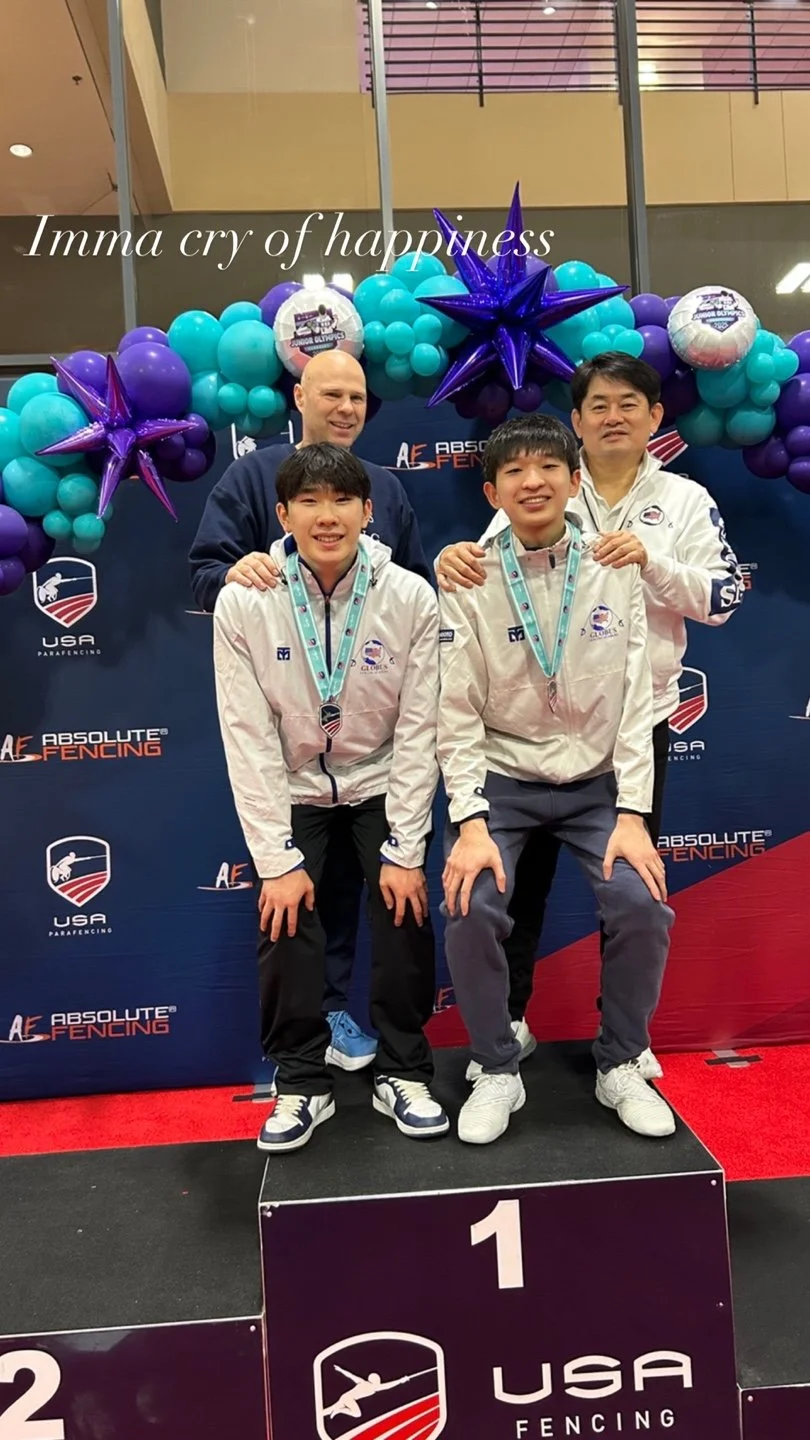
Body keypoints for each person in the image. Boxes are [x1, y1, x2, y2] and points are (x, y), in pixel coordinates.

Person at [437, 353, 743, 1072]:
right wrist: (453, 560)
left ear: (655, 417)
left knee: (628, 883)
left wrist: (650, 564)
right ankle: (507, 1024)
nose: (613, 416)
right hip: (525, 742)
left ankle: (623, 1043)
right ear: (576, 424)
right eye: (597, 405)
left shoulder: (685, 501)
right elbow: (488, 583)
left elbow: (725, 598)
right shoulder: (547, 488)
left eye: (628, 403)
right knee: (519, 889)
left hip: (630, 722)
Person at [437, 413, 676, 1145]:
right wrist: (470, 821)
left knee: (640, 902)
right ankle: (498, 1068)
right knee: (472, 903)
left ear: (575, 482)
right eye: (515, 471)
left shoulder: (615, 565)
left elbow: (637, 698)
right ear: (493, 491)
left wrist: (634, 812)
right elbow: (455, 709)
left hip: (596, 781)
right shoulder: (468, 576)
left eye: (548, 467)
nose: (532, 481)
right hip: (505, 780)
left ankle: (621, 1062)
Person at [191, 349, 431, 1073]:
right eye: (332, 393)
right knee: (294, 898)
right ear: (300, 396)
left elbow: (413, 591)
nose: (346, 407)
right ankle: (301, 1058)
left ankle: (394, 1058)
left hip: (373, 748)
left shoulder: (385, 485)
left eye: (357, 396)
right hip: (294, 737)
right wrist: (236, 573)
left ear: (363, 509)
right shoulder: (253, 476)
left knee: (389, 898)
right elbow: (205, 572)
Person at [212, 442, 448, 1152]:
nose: (327, 516)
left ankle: (404, 1071)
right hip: (296, 786)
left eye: (342, 500)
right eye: (308, 502)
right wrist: (275, 860)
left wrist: (406, 846)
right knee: (285, 918)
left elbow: (420, 729)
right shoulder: (244, 600)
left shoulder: (409, 595)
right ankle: (300, 1083)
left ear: (368, 511)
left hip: (380, 778)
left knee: (403, 907)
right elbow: (246, 736)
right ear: (283, 515)